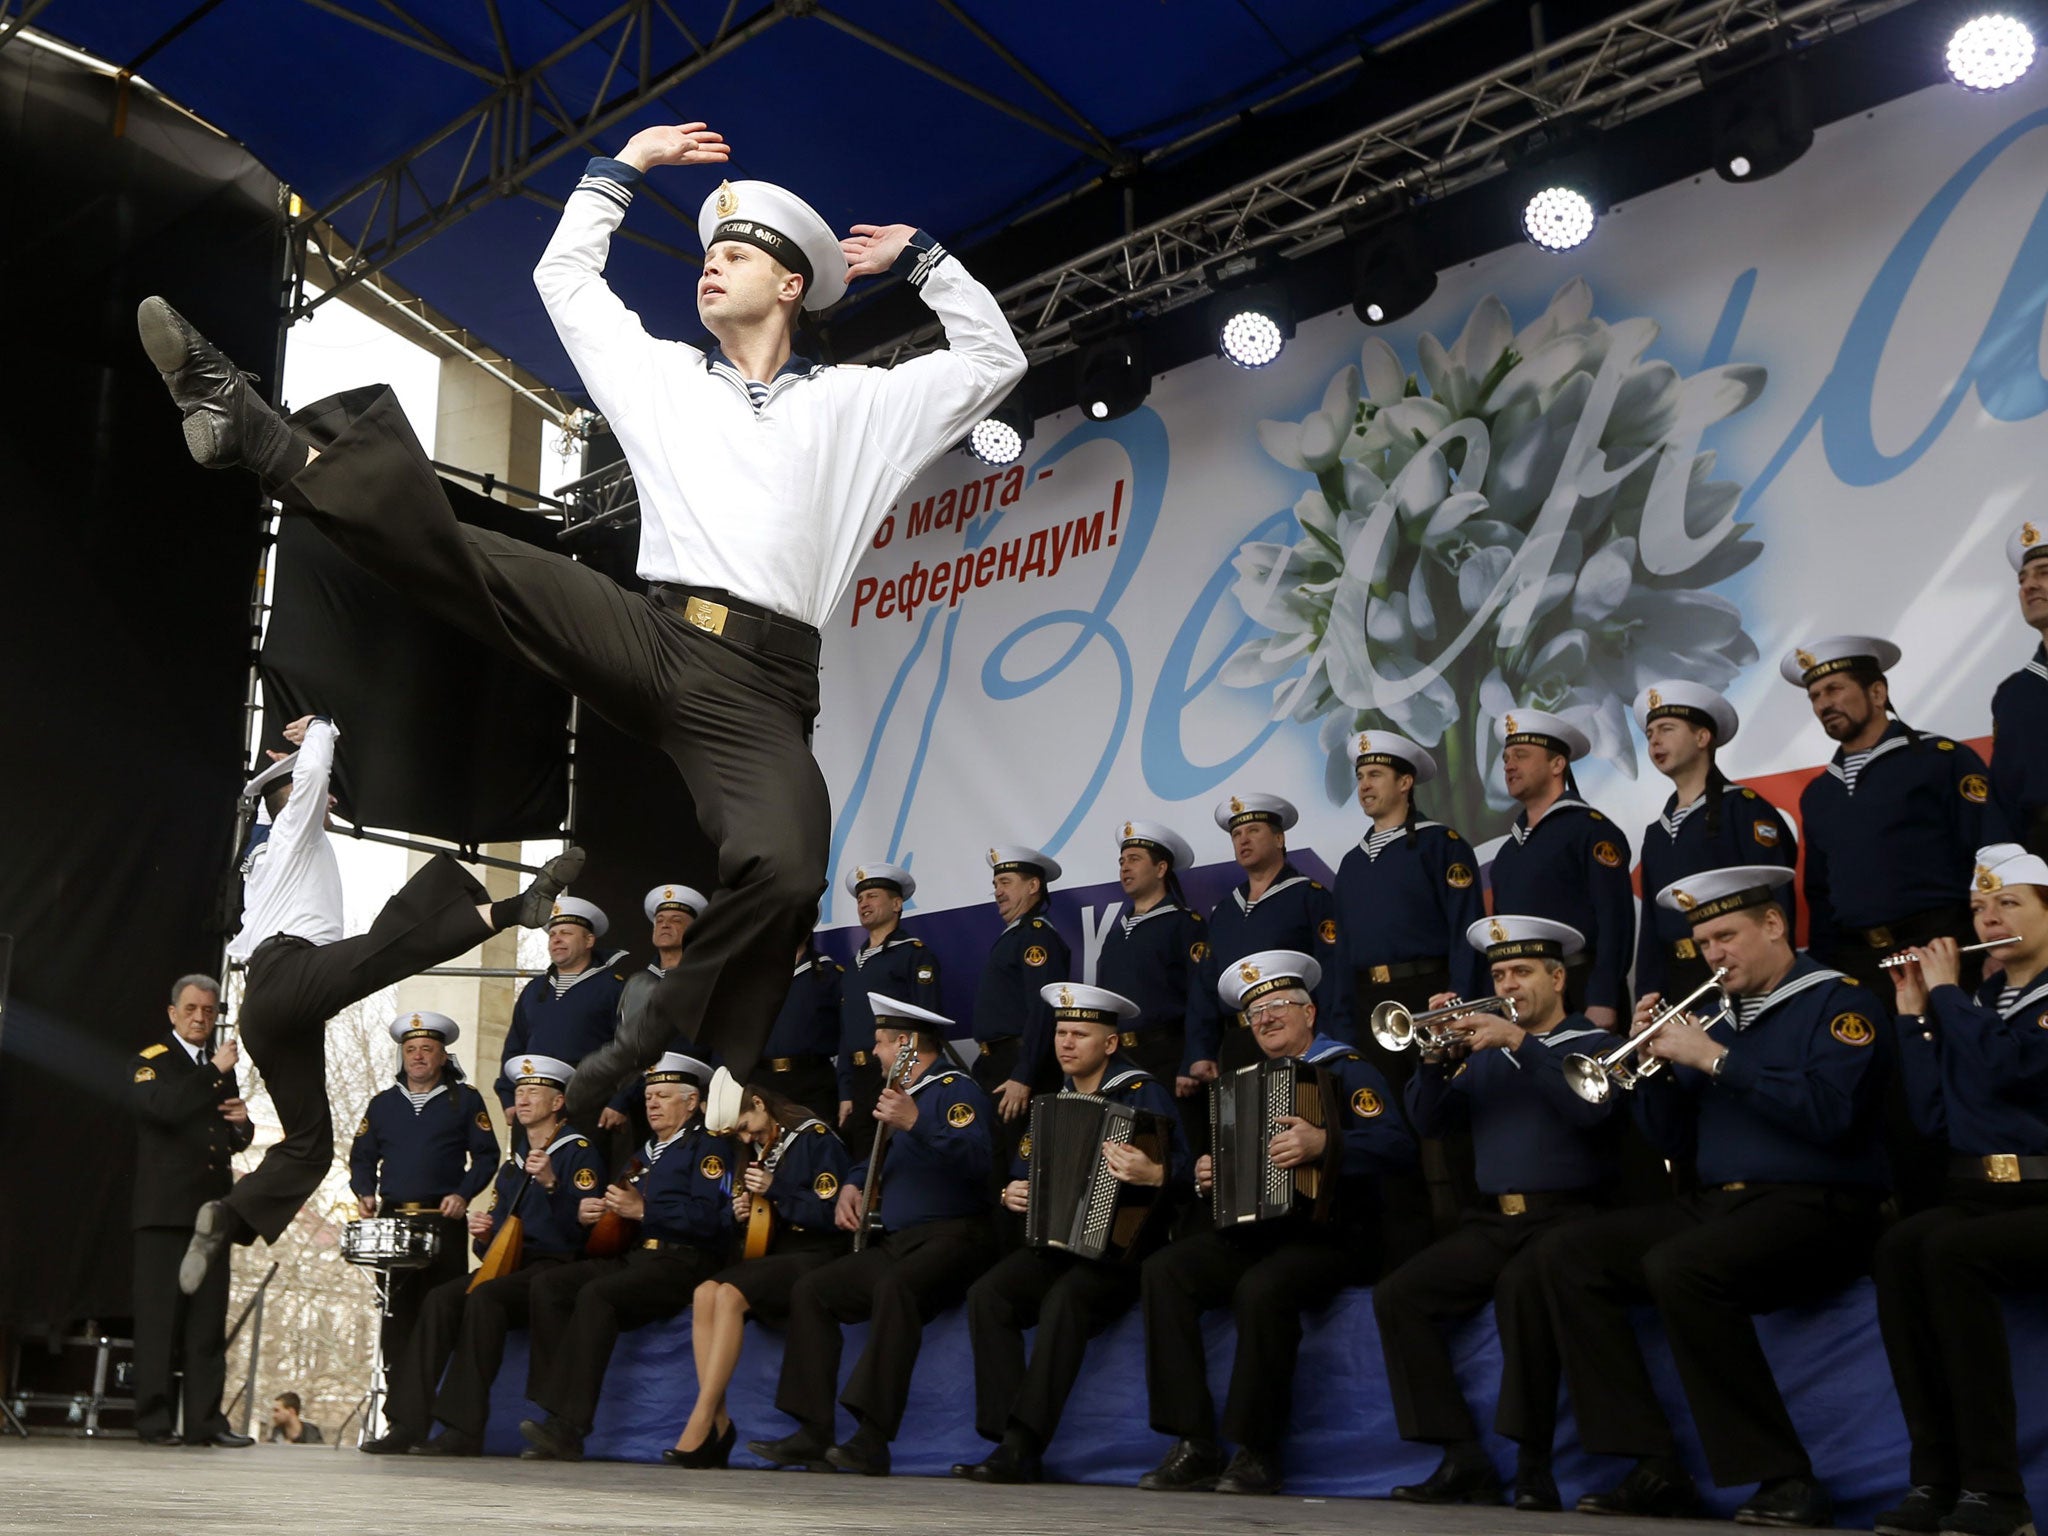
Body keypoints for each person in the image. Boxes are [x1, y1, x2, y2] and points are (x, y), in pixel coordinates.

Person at [139, 119, 1025, 1114]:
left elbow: (994, 361)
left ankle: (652, 1027)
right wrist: (621, 172)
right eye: (704, 254)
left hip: (757, 689)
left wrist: (926, 262)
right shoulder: (663, 377)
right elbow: (566, 282)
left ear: (789, 287)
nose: (710, 266)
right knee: (470, 557)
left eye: (735, 255)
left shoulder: (859, 404)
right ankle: (257, 431)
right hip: (648, 634)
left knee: (785, 868)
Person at [1534, 865, 1891, 1526]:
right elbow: (1673, 1138)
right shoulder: (1717, 1021)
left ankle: (1784, 1477)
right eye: (1703, 945)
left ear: (1776, 925)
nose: (1714, 955)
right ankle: (1652, 1464)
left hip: (1819, 1203)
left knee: (1682, 1267)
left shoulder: (1840, 1002)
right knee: (1568, 1252)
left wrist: (1714, 1059)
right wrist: (1659, 1076)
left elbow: (1831, 1117)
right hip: (1721, 1205)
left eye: (1727, 935)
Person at [176, 714, 579, 1295]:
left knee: (308, 1147)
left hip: (274, 1011)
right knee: (388, 950)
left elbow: (291, 800)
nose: (328, 800)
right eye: (316, 798)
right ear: (291, 802)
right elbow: (310, 774)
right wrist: (321, 729)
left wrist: (291, 792)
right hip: (291, 974)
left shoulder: (264, 859)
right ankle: (517, 909)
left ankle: (228, 1214)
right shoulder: (292, 830)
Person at [1139, 949, 1415, 1496]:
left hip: (1334, 1232)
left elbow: (1398, 1147)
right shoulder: (1246, 1082)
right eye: (1254, 1012)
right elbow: (1228, 1168)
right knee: (1165, 1270)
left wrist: (1325, 1143)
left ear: (1309, 1014)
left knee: (1263, 1288)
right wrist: (1205, 1173)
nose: (1264, 1020)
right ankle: (1195, 1442)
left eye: (1278, 1006)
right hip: (1257, 1233)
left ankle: (1256, 1450)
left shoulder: (1346, 1069)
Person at [1374, 918, 1618, 1512]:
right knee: (1399, 1295)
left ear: (1558, 978)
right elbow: (1429, 1124)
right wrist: (1433, 1057)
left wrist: (1518, 1043)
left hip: (1568, 1217)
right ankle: (1461, 1454)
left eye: (1522, 972)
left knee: (1521, 1290)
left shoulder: (1592, 1044)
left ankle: (1535, 1466)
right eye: (1500, 973)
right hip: (1495, 1220)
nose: (1508, 984)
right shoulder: (1483, 1054)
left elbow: (1591, 1116)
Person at [1873, 843, 2048, 1536]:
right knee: (1899, 1248)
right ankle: (1936, 1478)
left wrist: (1946, 995)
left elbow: (2010, 1071)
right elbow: (1934, 1116)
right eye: (1978, 906)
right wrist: (1916, 1014)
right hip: (1982, 1190)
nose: (1987, 918)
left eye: (2008, 902)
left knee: (1950, 1252)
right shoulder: (1982, 999)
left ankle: (1997, 1494)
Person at [953, 983, 1192, 1483]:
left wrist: (1155, 1171)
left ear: (1110, 1044)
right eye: (1061, 1032)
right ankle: (1004, 1436)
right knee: (987, 1294)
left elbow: (1188, 1167)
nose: (1065, 1043)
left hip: (1126, 1252)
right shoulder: (1052, 1101)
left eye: (1079, 1034)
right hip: (1060, 1244)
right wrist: (1011, 1194)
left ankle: (1023, 1446)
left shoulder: (1142, 1091)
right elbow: (1023, 1171)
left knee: (1066, 1300)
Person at [751, 994, 997, 1477]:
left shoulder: (954, 1090)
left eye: (883, 1044)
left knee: (896, 1287)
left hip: (955, 1236)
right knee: (814, 1290)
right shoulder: (904, 1098)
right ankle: (814, 1430)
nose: (876, 1054)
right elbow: (882, 1154)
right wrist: (852, 1182)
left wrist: (918, 1123)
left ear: (906, 1045)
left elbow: (980, 1163)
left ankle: (871, 1437)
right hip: (903, 1240)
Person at [1787, 636, 1992, 1213]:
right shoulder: (1819, 793)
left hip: (1944, 949)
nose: (1824, 702)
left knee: (1956, 1083)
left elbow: (1988, 858)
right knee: (1885, 1096)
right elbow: (1820, 896)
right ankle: (1914, 1219)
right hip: (1861, 966)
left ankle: (1976, 1218)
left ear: (1877, 692)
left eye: (1834, 689)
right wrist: (1828, 982)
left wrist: (1991, 947)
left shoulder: (1942, 758)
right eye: (1814, 696)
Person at [359, 1056, 604, 1457]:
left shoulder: (578, 1152)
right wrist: (484, 1235)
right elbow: (494, 1245)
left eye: (533, 1093)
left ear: (557, 1102)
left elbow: (582, 1234)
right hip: (509, 1267)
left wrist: (551, 1186)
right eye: (520, 1092)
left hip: (554, 1267)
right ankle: (405, 1423)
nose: (522, 1100)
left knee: (485, 1299)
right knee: (439, 1299)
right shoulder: (514, 1165)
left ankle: (463, 1428)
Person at [519, 1052, 732, 1461]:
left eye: (664, 1096)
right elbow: (617, 1219)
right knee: (549, 1285)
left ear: (691, 1103)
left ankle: (569, 1427)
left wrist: (646, 1212)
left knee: (598, 1295)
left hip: (683, 1261)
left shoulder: (708, 1148)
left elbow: (714, 1219)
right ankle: (551, 1403)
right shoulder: (645, 1151)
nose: (651, 1103)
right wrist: (592, 1212)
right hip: (637, 1256)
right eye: (649, 1095)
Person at [1331, 729, 1485, 1252]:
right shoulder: (1352, 863)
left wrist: (1460, 1000)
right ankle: (1406, 1246)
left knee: (1450, 1118)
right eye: (1359, 777)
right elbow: (1342, 954)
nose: (1364, 785)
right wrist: (1344, 1024)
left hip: (1431, 995)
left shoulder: (1441, 844)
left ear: (1405, 781)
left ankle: (1473, 1236)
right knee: (1389, 1125)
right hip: (1373, 1008)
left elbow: (1467, 929)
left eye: (1375, 774)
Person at [667, 1067, 854, 1467]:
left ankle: (702, 1420)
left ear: (759, 1103)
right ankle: (718, 1420)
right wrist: (746, 1212)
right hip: (779, 1254)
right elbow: (766, 1220)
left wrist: (776, 1190)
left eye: (748, 1127)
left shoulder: (813, 1139)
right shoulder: (761, 1147)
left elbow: (831, 1213)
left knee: (730, 1295)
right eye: (740, 1136)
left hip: (818, 1253)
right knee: (704, 1293)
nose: (747, 1139)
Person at [130, 975, 254, 1448]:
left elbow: (223, 1134)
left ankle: (205, 1422)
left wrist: (244, 1126)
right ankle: (155, 1422)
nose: (201, 1017)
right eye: (191, 1009)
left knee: (207, 1321)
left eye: (209, 1009)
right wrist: (213, 1072)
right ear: (172, 1013)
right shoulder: (152, 1062)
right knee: (161, 1320)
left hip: (212, 1210)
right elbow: (163, 1109)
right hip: (164, 1212)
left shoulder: (217, 1066)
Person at [347, 1010, 497, 1396]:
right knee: (396, 1313)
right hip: (392, 1220)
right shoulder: (382, 1104)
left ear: (443, 1056)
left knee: (441, 1311)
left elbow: (486, 1155)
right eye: (410, 1049)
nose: (417, 1056)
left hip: (441, 1220)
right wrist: (364, 1191)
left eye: (427, 1049)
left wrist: (463, 1194)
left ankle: (434, 1405)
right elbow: (361, 1155)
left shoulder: (465, 1100)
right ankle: (398, 1406)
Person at [1631, 683, 1797, 1002]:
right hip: (1680, 981)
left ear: (1702, 737)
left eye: (1666, 729)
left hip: (1740, 974)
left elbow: (1776, 896)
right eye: (1649, 733)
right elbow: (1652, 926)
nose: (1654, 740)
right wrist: (1648, 992)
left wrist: (1779, 978)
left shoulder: (1745, 808)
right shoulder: (1657, 832)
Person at [1183, 794, 1348, 1091]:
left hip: (1297, 1042)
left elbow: (1333, 976)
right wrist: (1200, 1051)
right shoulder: (1224, 912)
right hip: (1238, 1047)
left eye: (1254, 830)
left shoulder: (1309, 896)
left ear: (1279, 838)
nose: (1243, 840)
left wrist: (1330, 1043)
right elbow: (1205, 988)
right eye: (1236, 834)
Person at [1485, 708, 1634, 1029]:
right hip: (1526, 1000)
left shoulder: (1591, 831)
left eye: (1521, 756)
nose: (1509, 765)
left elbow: (1615, 923)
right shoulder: (1509, 852)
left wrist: (1603, 999)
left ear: (1557, 764)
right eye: (1506, 758)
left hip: (1582, 992)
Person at [1094, 820, 1207, 1143]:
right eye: (1121, 861)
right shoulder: (1115, 935)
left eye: (1134, 859)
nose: (1124, 868)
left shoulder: (1184, 924)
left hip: (1170, 1059)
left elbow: (1201, 996)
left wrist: (1191, 1061)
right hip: (1122, 1063)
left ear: (1160, 868)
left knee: (1178, 1150)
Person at [973, 846, 1072, 1187]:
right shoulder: (1013, 936)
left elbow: (1043, 1011)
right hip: (997, 1068)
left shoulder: (1036, 937)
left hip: (1019, 1069)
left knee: (1022, 1171)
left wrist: (1023, 1076)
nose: (998, 891)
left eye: (1006, 881)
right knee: (997, 1170)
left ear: (1033, 886)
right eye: (995, 883)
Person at [836, 863, 942, 1158]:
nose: (864, 904)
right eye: (859, 899)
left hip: (894, 1075)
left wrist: (909, 1079)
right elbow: (846, 1032)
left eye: (872, 896)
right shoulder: (852, 965)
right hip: (860, 1080)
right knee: (863, 1161)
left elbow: (926, 1023)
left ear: (897, 904)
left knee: (895, 1156)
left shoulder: (913, 954)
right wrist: (845, 1092)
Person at [495, 897, 628, 1123]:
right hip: (535, 1106)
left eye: (566, 933)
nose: (556, 940)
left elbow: (631, 1051)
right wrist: (508, 1098)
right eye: (552, 935)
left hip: (590, 1105)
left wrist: (620, 1102)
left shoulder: (614, 987)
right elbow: (514, 1046)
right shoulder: (534, 989)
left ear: (589, 940)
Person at [1989, 521, 2048, 856]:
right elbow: (2002, 799)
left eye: (2043, 572)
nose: (2029, 586)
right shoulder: (2013, 695)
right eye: (2023, 578)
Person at [761, 936, 842, 1124]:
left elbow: (846, 1030)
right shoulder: (757, 976)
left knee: (814, 1145)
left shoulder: (828, 974)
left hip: (812, 1082)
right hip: (764, 1083)